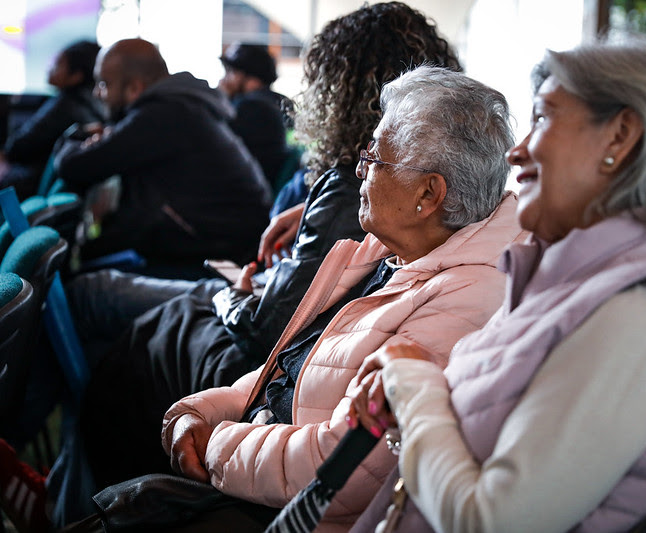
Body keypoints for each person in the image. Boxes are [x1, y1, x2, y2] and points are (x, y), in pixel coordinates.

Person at [18, 3, 462, 529]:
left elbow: (281, 331)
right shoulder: (392, 198)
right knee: (147, 328)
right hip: (286, 352)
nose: (367, 164)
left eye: (376, 160)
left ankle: (62, 483)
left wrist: (241, 297)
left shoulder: (358, 191)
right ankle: (71, 490)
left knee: (137, 322)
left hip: (281, 367)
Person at [65, 65, 524, 533]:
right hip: (262, 453)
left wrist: (214, 445)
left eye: (375, 159)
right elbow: (289, 367)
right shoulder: (394, 252)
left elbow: (346, 469)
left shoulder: (467, 299)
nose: (361, 172)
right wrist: (200, 411)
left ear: (429, 194)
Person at [347, 38, 646, 533]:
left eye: (543, 119)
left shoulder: (636, 317)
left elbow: (493, 522)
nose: (515, 152)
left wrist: (410, 381)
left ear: (619, 137)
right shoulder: (559, 284)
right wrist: (405, 409)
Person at [53, 38, 272, 278]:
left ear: (134, 88)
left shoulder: (164, 114)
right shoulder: (180, 106)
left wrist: (75, 136)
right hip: (221, 244)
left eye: (104, 84)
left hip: (220, 258)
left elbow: (75, 167)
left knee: (83, 285)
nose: (97, 93)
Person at [0, 40, 105, 200]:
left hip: (27, 186)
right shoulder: (96, 103)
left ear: (75, 76)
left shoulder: (64, 106)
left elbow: (17, 147)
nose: (49, 69)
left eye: (58, 65)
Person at [218, 42, 295, 191]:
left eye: (232, 72)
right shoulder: (281, 104)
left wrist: (221, 97)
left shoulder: (250, 108)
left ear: (252, 79)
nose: (225, 79)